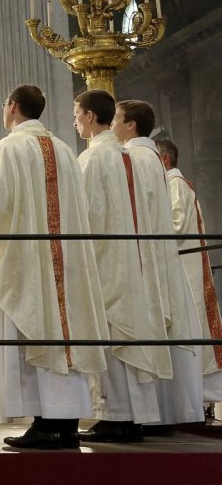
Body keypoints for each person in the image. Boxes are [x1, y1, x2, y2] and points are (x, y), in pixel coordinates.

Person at [0, 85, 108, 449]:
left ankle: (46, 424)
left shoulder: (11, 147)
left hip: (32, 263)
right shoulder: (64, 149)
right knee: (64, 335)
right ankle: (65, 425)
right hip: (68, 262)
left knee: (38, 332)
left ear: (12, 107)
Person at [71, 90, 168, 443]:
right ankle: (131, 417)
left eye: (78, 114)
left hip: (105, 258)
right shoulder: (126, 156)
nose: (75, 121)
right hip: (132, 257)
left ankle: (117, 418)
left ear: (92, 116)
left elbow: (83, 213)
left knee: (112, 335)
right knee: (127, 333)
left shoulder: (94, 158)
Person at [113, 99, 205, 428]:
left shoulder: (136, 157)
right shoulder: (148, 157)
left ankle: (157, 412)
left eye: (117, 120)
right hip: (159, 253)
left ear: (131, 125)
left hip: (147, 253)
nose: (112, 125)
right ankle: (170, 410)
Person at [158, 138, 222, 405]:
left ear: (165, 160)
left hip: (187, 267)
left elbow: (175, 225)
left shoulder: (175, 184)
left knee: (195, 322)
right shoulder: (173, 184)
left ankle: (202, 398)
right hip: (183, 264)